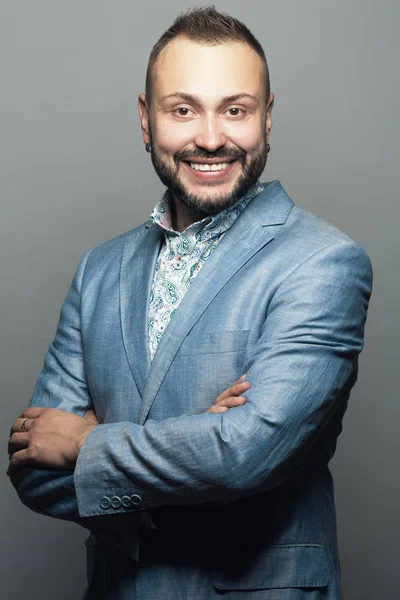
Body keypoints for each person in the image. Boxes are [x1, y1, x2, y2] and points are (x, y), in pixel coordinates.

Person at [7, 7, 372, 600]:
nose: (209, 137)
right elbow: (32, 470)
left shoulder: (323, 262)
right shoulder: (99, 270)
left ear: (268, 117)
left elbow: (246, 455)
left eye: (235, 109)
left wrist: (85, 443)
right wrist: (198, 443)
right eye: (182, 109)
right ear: (147, 120)